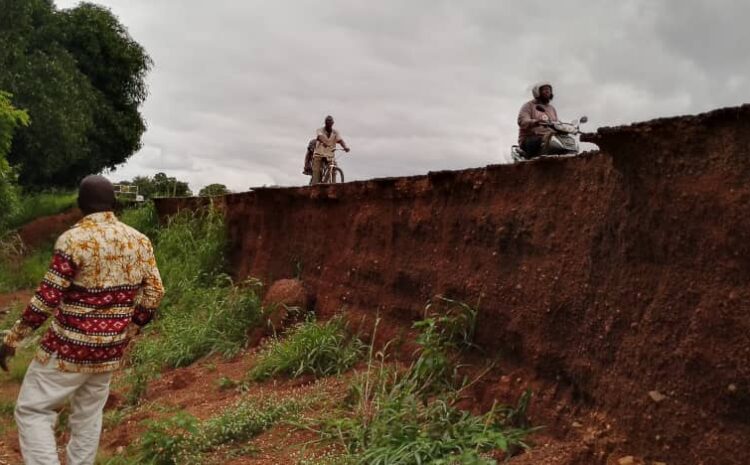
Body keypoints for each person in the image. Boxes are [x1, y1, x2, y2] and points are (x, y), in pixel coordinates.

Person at [0, 175, 164, 465]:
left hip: (68, 349)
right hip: (109, 351)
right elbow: (155, 292)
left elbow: (46, 299)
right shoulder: (139, 240)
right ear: (114, 203)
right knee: (88, 417)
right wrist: (130, 330)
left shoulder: (73, 241)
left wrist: (12, 339)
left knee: (32, 410)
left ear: (79, 205)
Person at [517, 82, 559, 158]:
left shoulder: (552, 108)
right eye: (544, 89)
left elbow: (557, 123)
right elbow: (522, 121)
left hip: (549, 137)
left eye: (549, 90)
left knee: (563, 141)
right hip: (531, 136)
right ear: (537, 92)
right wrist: (535, 122)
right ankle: (529, 163)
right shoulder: (528, 106)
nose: (547, 91)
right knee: (534, 142)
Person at [312, 115, 350, 184]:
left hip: (329, 155)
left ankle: (333, 184)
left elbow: (340, 140)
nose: (328, 124)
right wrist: (324, 142)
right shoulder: (319, 130)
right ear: (325, 123)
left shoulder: (335, 132)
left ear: (333, 123)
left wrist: (345, 147)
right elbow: (320, 137)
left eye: (330, 122)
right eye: (327, 122)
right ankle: (315, 185)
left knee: (334, 168)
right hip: (319, 154)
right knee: (316, 173)